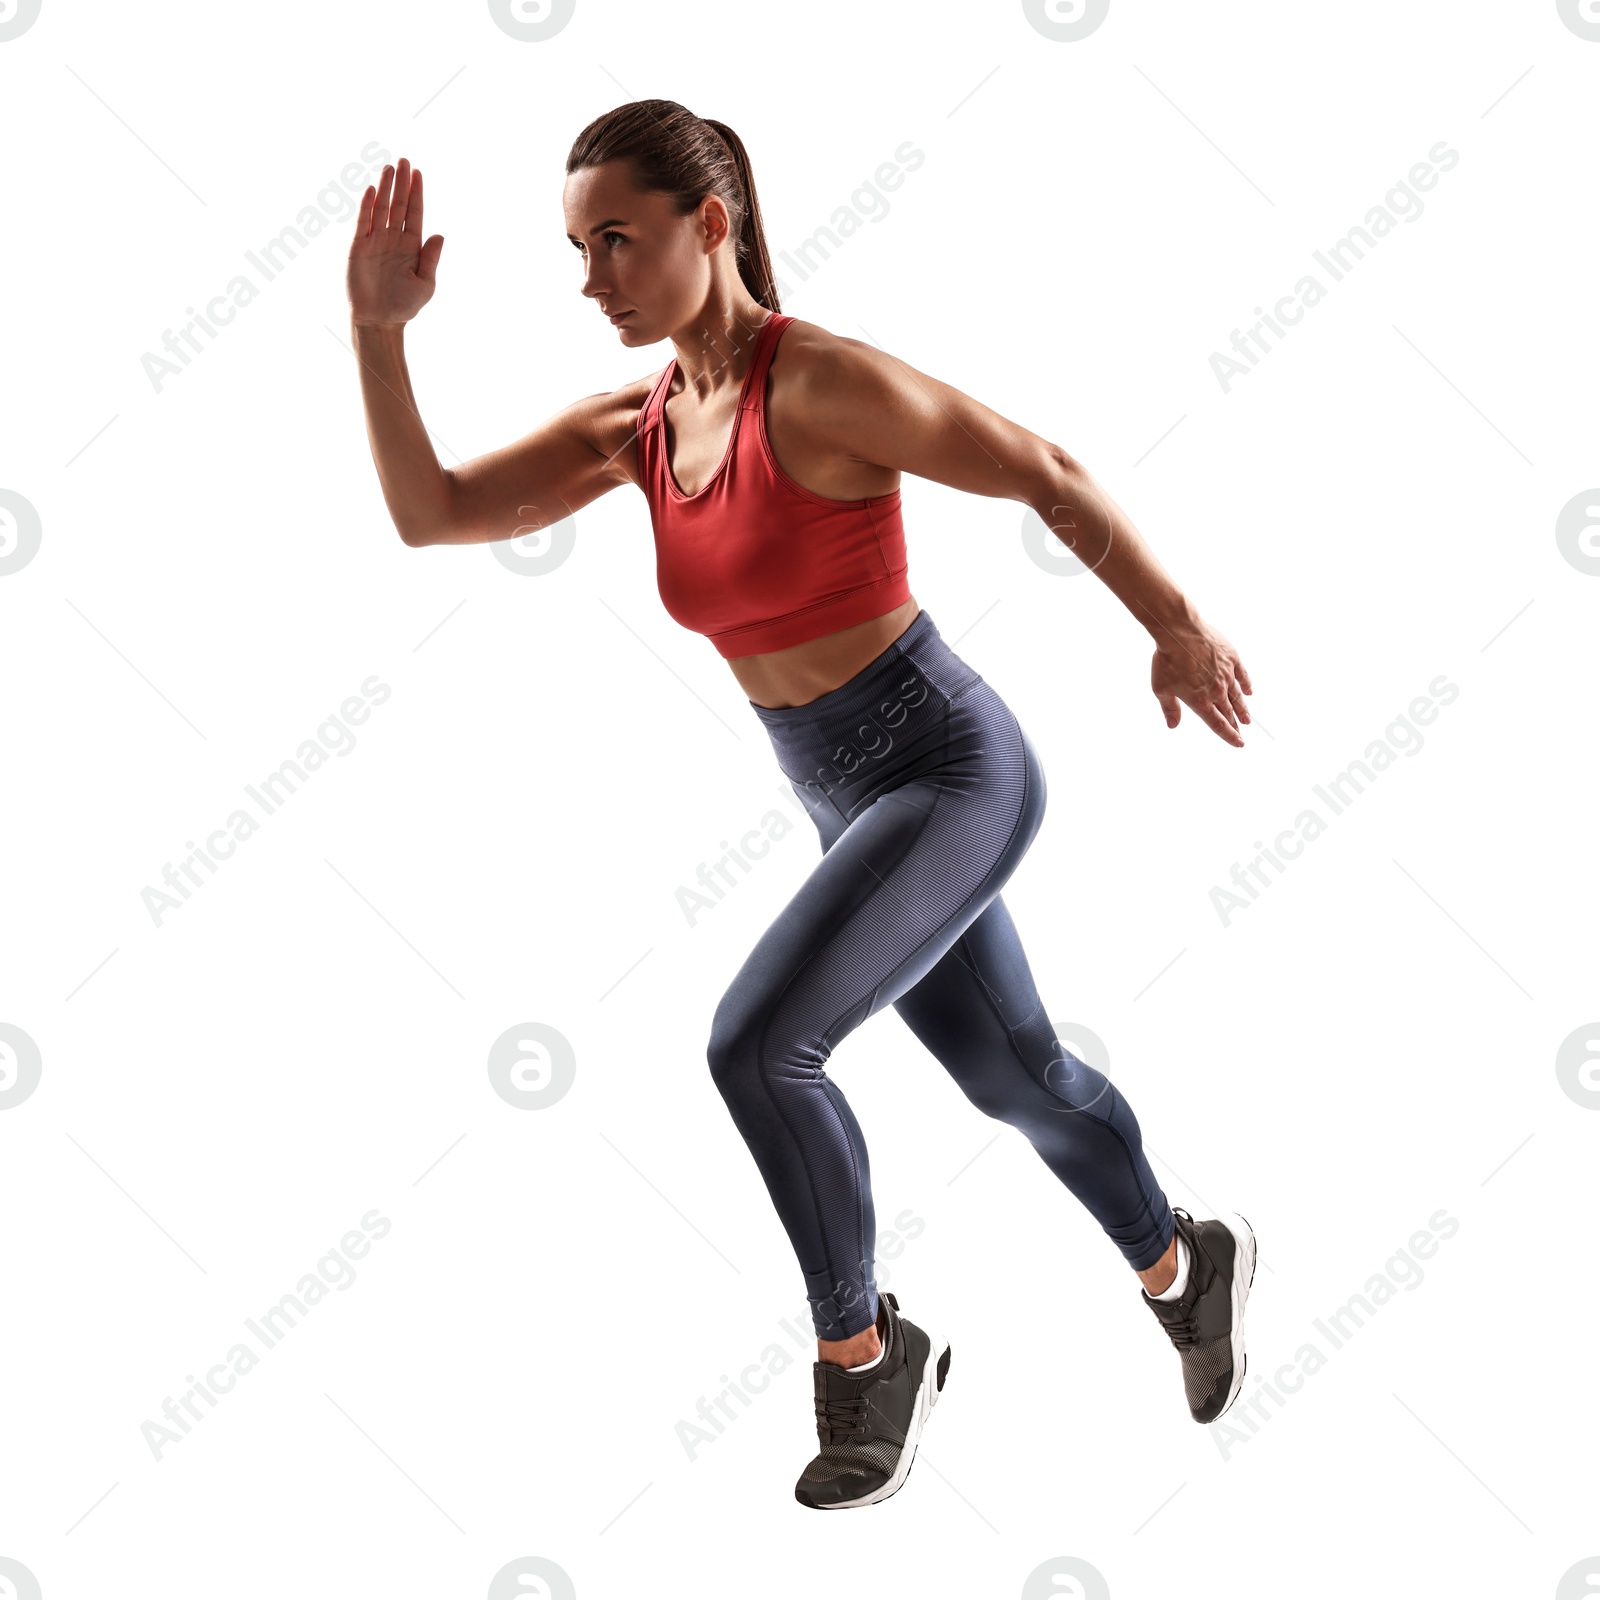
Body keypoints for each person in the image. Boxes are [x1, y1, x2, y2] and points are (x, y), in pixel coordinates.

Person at [346, 100, 1257, 1512]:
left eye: (618, 243)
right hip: (842, 797)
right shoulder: (633, 426)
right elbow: (434, 510)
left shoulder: (818, 386)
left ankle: (864, 1353)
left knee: (760, 1047)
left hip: (950, 765)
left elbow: (1044, 470)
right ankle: (1186, 1266)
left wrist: (1177, 623)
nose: (595, 282)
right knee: (1014, 1076)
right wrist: (380, 333)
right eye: (578, 253)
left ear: (712, 226)